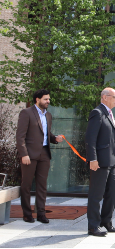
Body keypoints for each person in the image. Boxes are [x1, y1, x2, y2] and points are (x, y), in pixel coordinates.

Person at [15, 90, 64, 224]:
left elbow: (46, 134)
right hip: (29, 155)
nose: (48, 101)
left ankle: (41, 214)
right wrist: (24, 154)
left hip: (44, 154)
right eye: (45, 99)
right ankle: (27, 214)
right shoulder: (26, 113)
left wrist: (55, 138)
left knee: (42, 185)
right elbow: (20, 136)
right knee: (26, 185)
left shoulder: (48, 115)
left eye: (49, 99)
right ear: (37, 99)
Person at [85, 88, 115, 237]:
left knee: (113, 192)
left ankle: (106, 221)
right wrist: (93, 159)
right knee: (96, 194)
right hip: (100, 161)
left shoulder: (110, 114)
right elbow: (90, 138)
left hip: (112, 161)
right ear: (105, 97)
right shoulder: (97, 113)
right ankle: (93, 226)